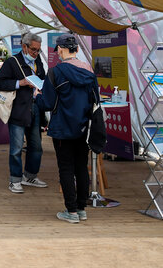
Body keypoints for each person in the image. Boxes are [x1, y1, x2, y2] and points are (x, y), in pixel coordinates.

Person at [38, 33, 99, 224]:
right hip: (84, 128)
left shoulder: (55, 72)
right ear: (78, 50)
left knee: (66, 168)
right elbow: (96, 99)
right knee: (81, 167)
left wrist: (37, 95)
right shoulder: (89, 70)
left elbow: (47, 103)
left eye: (58, 51)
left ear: (61, 50)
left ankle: (70, 211)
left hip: (62, 128)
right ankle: (81, 209)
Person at [0, 32, 47, 193]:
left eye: (38, 50)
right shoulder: (12, 62)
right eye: (33, 50)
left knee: (36, 146)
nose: (36, 53)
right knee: (16, 148)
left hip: (35, 108)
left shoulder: (38, 62)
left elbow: (43, 78)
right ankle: (15, 179)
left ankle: (30, 175)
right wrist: (20, 83)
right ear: (24, 46)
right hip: (18, 109)